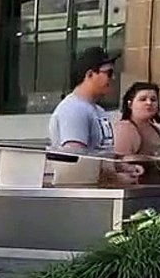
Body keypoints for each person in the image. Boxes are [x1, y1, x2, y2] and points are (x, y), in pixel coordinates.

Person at [48, 47, 142, 185]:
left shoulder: (97, 110)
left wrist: (122, 166)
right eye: (109, 73)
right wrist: (115, 179)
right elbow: (77, 162)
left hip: (97, 190)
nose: (113, 78)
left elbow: (100, 152)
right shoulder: (73, 109)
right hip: (82, 193)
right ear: (90, 74)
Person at [114, 81, 160, 183]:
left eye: (153, 99)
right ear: (130, 104)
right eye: (142, 99)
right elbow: (117, 162)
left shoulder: (157, 130)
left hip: (159, 187)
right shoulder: (126, 128)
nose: (149, 103)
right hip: (135, 188)